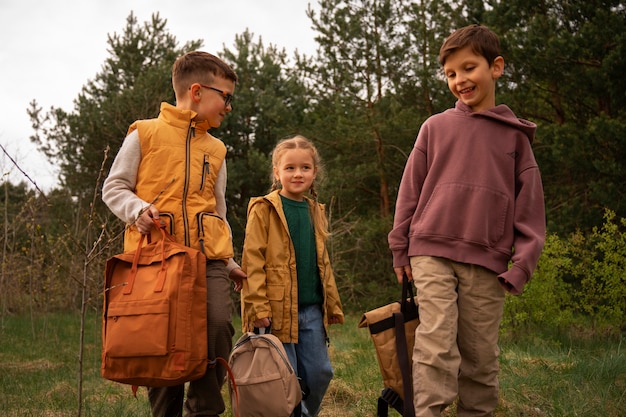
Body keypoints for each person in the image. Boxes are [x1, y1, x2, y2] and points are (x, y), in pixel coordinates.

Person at [388, 25, 546, 417]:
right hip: (430, 251)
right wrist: (400, 249)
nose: (460, 80)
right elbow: (409, 192)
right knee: (437, 343)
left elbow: (531, 208)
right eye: (451, 74)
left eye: (468, 68)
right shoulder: (435, 127)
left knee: (479, 356)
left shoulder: (516, 139)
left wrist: (522, 265)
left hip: (488, 261)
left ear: (496, 68)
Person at [102, 50, 247, 417]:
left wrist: (228, 261)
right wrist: (139, 210)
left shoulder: (216, 149)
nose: (228, 106)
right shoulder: (144, 134)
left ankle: (205, 410)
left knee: (217, 328)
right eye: (225, 97)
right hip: (155, 259)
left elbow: (218, 209)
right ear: (197, 91)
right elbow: (114, 188)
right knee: (161, 339)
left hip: (207, 261)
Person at [240, 135, 344, 417]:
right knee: (283, 379)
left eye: (305, 168)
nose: (298, 174)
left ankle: (304, 414)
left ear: (314, 172)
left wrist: (331, 304)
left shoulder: (315, 211)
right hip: (274, 311)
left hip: (311, 310)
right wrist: (257, 307)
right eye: (290, 168)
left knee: (319, 372)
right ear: (277, 172)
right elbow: (252, 260)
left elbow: (322, 263)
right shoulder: (264, 209)